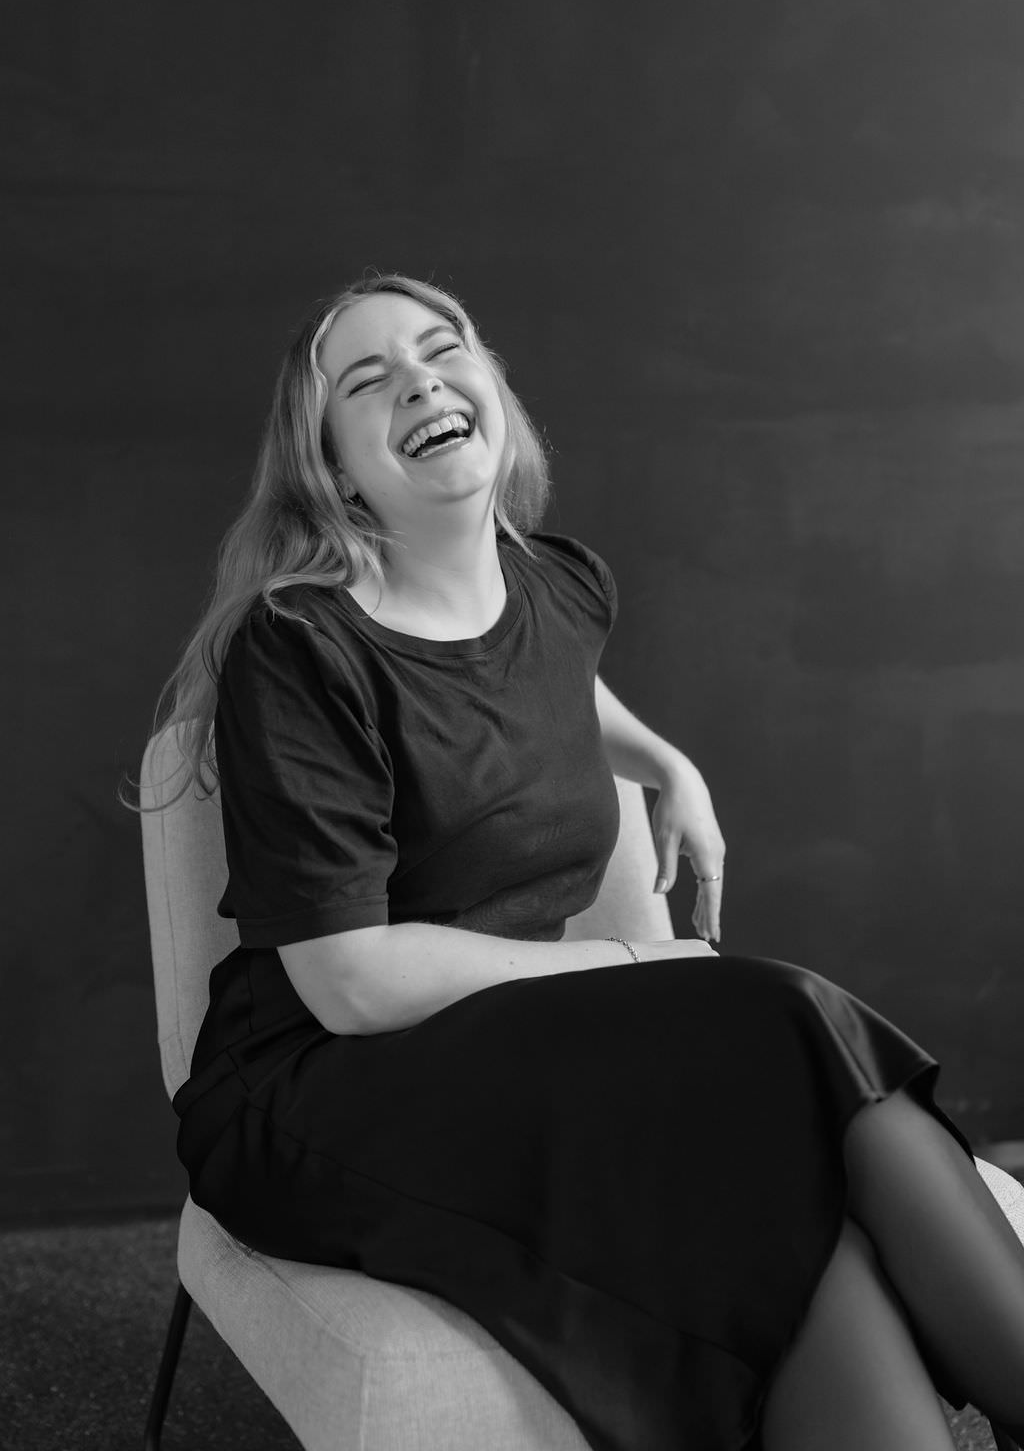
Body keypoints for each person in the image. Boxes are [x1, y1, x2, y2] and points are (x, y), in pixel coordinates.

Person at [155, 272, 1024, 1451]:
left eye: (440, 348)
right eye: (367, 381)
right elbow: (349, 985)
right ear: (337, 472)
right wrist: (626, 962)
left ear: (489, 387)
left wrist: (668, 763)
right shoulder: (299, 647)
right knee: (777, 1018)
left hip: (511, 1056)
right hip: (321, 1088)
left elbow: (545, 688)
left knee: (767, 1180)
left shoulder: (556, 585)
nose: (417, 380)